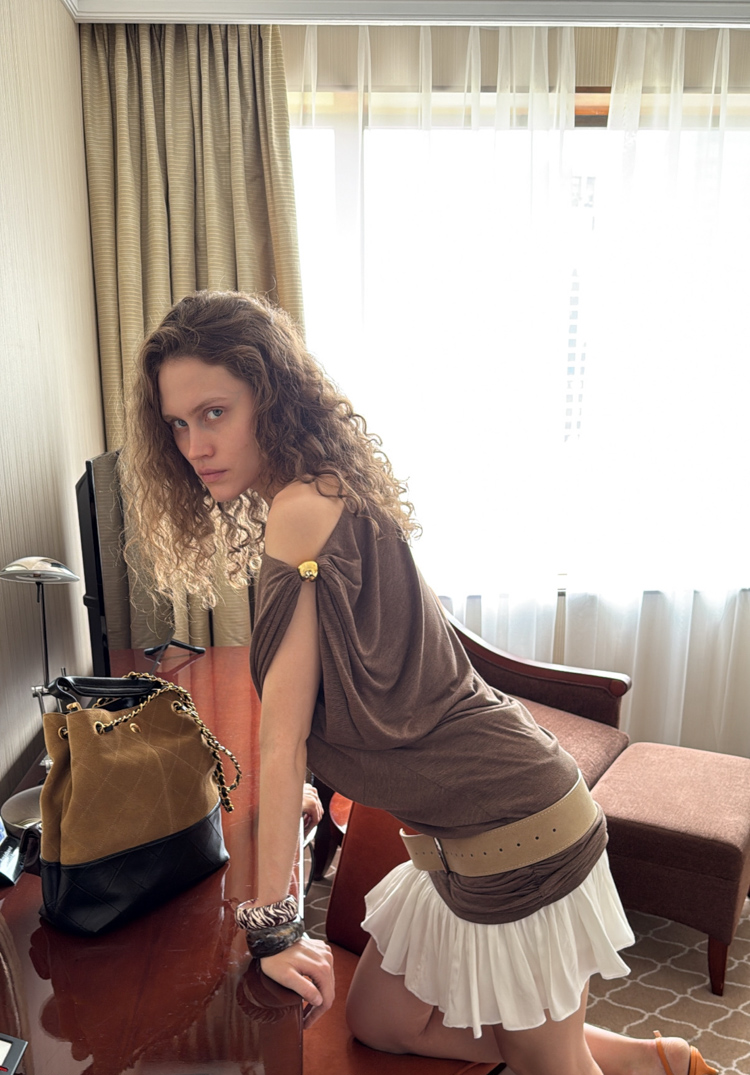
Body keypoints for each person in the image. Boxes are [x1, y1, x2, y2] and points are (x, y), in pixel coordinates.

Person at [121, 290, 715, 1075]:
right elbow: (357, 681)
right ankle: (656, 1059)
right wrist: (314, 789)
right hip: (462, 830)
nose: (196, 445)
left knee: (550, 1067)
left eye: (214, 413)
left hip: (516, 825)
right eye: (177, 423)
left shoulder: (300, 508)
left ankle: (598, 1058)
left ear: (270, 396)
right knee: (381, 1020)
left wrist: (274, 929)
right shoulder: (325, 485)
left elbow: (281, 738)